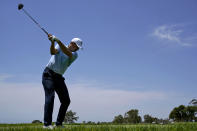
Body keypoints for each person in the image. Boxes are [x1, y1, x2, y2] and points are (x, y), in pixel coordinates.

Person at [42, 34, 82, 129]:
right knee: (50, 97)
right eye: (77, 47)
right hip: (49, 74)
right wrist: (52, 42)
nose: (77, 49)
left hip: (59, 77)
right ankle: (47, 124)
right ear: (72, 43)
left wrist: (58, 41)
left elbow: (68, 53)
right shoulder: (59, 45)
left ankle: (58, 124)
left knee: (66, 101)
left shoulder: (75, 55)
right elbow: (52, 52)